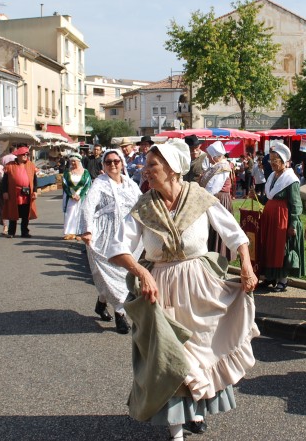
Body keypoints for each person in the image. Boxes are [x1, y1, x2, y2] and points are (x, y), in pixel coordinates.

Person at [105, 138, 258, 440]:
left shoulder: (199, 198)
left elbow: (234, 233)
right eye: (146, 165)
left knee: (201, 349)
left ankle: (197, 410)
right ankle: (175, 430)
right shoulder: (145, 206)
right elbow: (116, 248)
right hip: (159, 289)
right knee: (169, 355)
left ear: (173, 168)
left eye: (152, 165)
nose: (145, 171)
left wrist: (246, 265)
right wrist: (142, 272)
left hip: (199, 286)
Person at [79, 148, 142, 334]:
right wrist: (87, 230)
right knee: (110, 273)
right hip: (105, 235)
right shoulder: (99, 183)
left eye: (116, 161)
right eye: (108, 162)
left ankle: (101, 303)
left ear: (122, 163)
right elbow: (88, 206)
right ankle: (120, 314)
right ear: (104, 165)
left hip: (128, 235)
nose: (112, 164)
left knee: (124, 273)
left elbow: (142, 203)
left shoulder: (130, 184)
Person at [252, 142, 305, 292]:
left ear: (283, 161)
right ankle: (270, 277)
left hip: (283, 218)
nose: (272, 163)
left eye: (275, 160)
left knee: (281, 248)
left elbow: (296, 203)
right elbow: (269, 199)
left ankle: (282, 280)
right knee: (269, 246)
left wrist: (293, 224)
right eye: (271, 159)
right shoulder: (272, 176)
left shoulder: (290, 179)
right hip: (270, 217)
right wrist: (256, 196)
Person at [198, 141, 234, 260]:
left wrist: (201, 196)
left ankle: (220, 255)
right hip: (213, 198)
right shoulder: (216, 166)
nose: (208, 158)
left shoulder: (223, 167)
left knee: (218, 227)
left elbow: (213, 188)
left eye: (209, 156)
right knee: (213, 228)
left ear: (214, 156)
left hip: (219, 200)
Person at [2, 145, 38, 238]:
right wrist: (5, 191)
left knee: (26, 213)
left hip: (27, 193)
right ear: (18, 155)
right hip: (14, 193)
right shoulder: (9, 165)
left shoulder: (30, 165)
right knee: (13, 212)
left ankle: (24, 232)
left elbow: (35, 179)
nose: (25, 156)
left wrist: (35, 191)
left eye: (27, 154)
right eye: (23, 154)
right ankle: (11, 232)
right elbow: (4, 180)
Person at [62, 153, 92, 240]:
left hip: (81, 196)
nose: (73, 163)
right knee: (70, 213)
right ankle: (70, 232)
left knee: (80, 213)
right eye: (71, 161)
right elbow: (65, 185)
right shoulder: (67, 172)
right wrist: (71, 194)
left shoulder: (85, 172)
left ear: (79, 161)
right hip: (71, 197)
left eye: (74, 161)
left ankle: (80, 232)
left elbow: (87, 184)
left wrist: (80, 195)